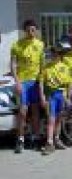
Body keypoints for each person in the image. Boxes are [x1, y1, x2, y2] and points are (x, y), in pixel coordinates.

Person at [11, 19, 45, 153]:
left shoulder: (40, 44)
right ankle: (20, 139)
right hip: (23, 82)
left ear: (36, 30)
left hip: (35, 82)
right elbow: (13, 64)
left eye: (33, 30)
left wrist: (41, 81)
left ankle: (35, 137)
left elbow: (42, 65)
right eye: (28, 30)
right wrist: (17, 81)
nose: (31, 32)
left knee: (35, 111)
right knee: (23, 111)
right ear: (24, 31)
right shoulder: (17, 45)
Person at [39, 46, 72, 155]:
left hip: (61, 96)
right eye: (53, 54)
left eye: (57, 54)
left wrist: (67, 97)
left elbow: (69, 84)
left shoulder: (65, 67)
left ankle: (57, 140)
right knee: (51, 120)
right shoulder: (45, 67)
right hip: (50, 95)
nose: (55, 56)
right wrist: (42, 97)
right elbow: (41, 84)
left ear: (60, 56)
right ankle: (49, 142)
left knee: (59, 119)